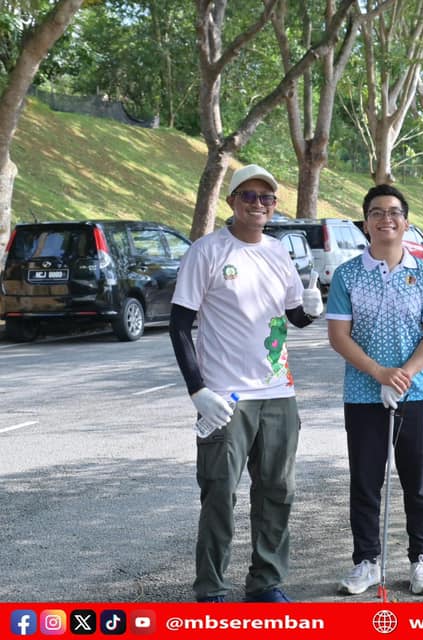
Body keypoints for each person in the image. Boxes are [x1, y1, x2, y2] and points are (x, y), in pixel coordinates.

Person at [169, 164, 324, 603]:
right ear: (233, 201)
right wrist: (198, 390)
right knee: (219, 492)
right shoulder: (207, 252)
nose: (258, 204)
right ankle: (212, 588)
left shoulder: (278, 252)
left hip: (279, 392)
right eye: (249, 196)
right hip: (226, 396)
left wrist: (312, 308)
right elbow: (180, 325)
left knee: (277, 491)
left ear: (274, 206)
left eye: (267, 198)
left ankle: (266, 582)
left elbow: (295, 316)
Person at [327, 184, 423, 596]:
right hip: (363, 395)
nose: (386, 219)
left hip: (415, 394)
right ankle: (367, 562)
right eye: (377, 213)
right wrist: (379, 373)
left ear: (406, 222)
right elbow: (339, 335)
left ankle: (421, 562)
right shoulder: (347, 275)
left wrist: (406, 373)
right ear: (366, 223)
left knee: (419, 481)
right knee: (365, 481)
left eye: (394, 212)